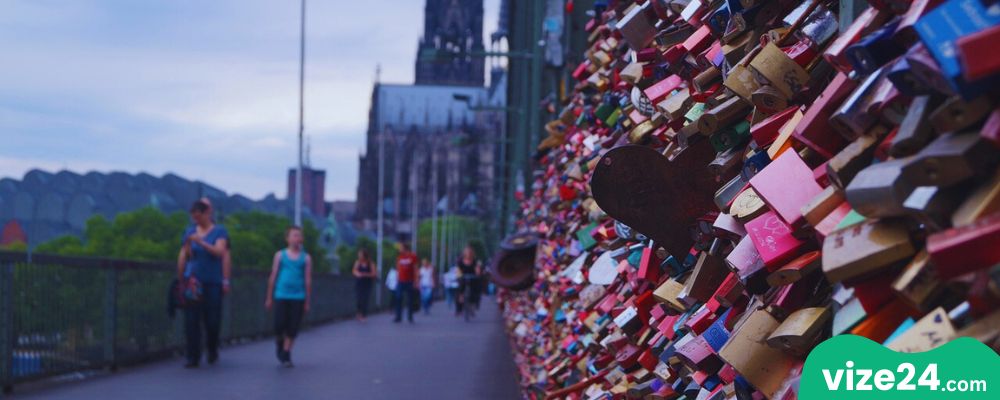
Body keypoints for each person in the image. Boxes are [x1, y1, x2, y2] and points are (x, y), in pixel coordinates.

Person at [176, 200, 230, 368]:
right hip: (193, 281)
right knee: (191, 319)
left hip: (212, 282)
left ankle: (212, 348)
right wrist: (181, 278)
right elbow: (185, 255)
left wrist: (200, 241)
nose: (195, 220)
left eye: (198, 216)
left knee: (212, 320)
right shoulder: (189, 231)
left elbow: (220, 252)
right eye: (193, 217)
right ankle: (193, 356)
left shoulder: (219, 232)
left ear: (207, 214)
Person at [265, 226, 313, 368]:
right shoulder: (280, 255)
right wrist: (269, 297)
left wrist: (307, 301)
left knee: (293, 327)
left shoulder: (306, 258)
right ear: (287, 238)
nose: (296, 238)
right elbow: (273, 275)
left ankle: (286, 353)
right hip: (281, 294)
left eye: (299, 236)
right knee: (279, 325)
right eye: (294, 235)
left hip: (298, 296)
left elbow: (308, 279)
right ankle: (280, 342)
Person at [393, 242, 418, 323]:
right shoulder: (399, 257)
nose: (399, 249)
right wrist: (397, 280)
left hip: (410, 281)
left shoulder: (412, 256)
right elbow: (398, 269)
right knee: (398, 297)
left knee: (410, 299)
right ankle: (398, 316)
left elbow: (415, 269)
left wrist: (416, 281)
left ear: (405, 248)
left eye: (401, 247)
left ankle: (410, 316)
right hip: (401, 281)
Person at [455, 244, 482, 317]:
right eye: (467, 252)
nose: (468, 254)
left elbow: (478, 270)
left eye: (470, 252)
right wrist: (459, 275)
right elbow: (458, 270)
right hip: (463, 277)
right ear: (464, 253)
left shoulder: (476, 261)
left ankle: (475, 304)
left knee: (477, 288)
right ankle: (459, 306)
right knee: (459, 288)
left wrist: (478, 272)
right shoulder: (460, 261)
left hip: (473, 278)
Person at [352, 248, 377, 321]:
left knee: (365, 299)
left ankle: (363, 315)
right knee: (359, 299)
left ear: (364, 255)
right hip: (359, 283)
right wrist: (357, 274)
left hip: (367, 284)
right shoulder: (358, 262)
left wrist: (364, 274)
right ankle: (358, 313)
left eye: (360, 254)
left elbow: (374, 274)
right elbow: (354, 270)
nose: (359, 255)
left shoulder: (370, 263)